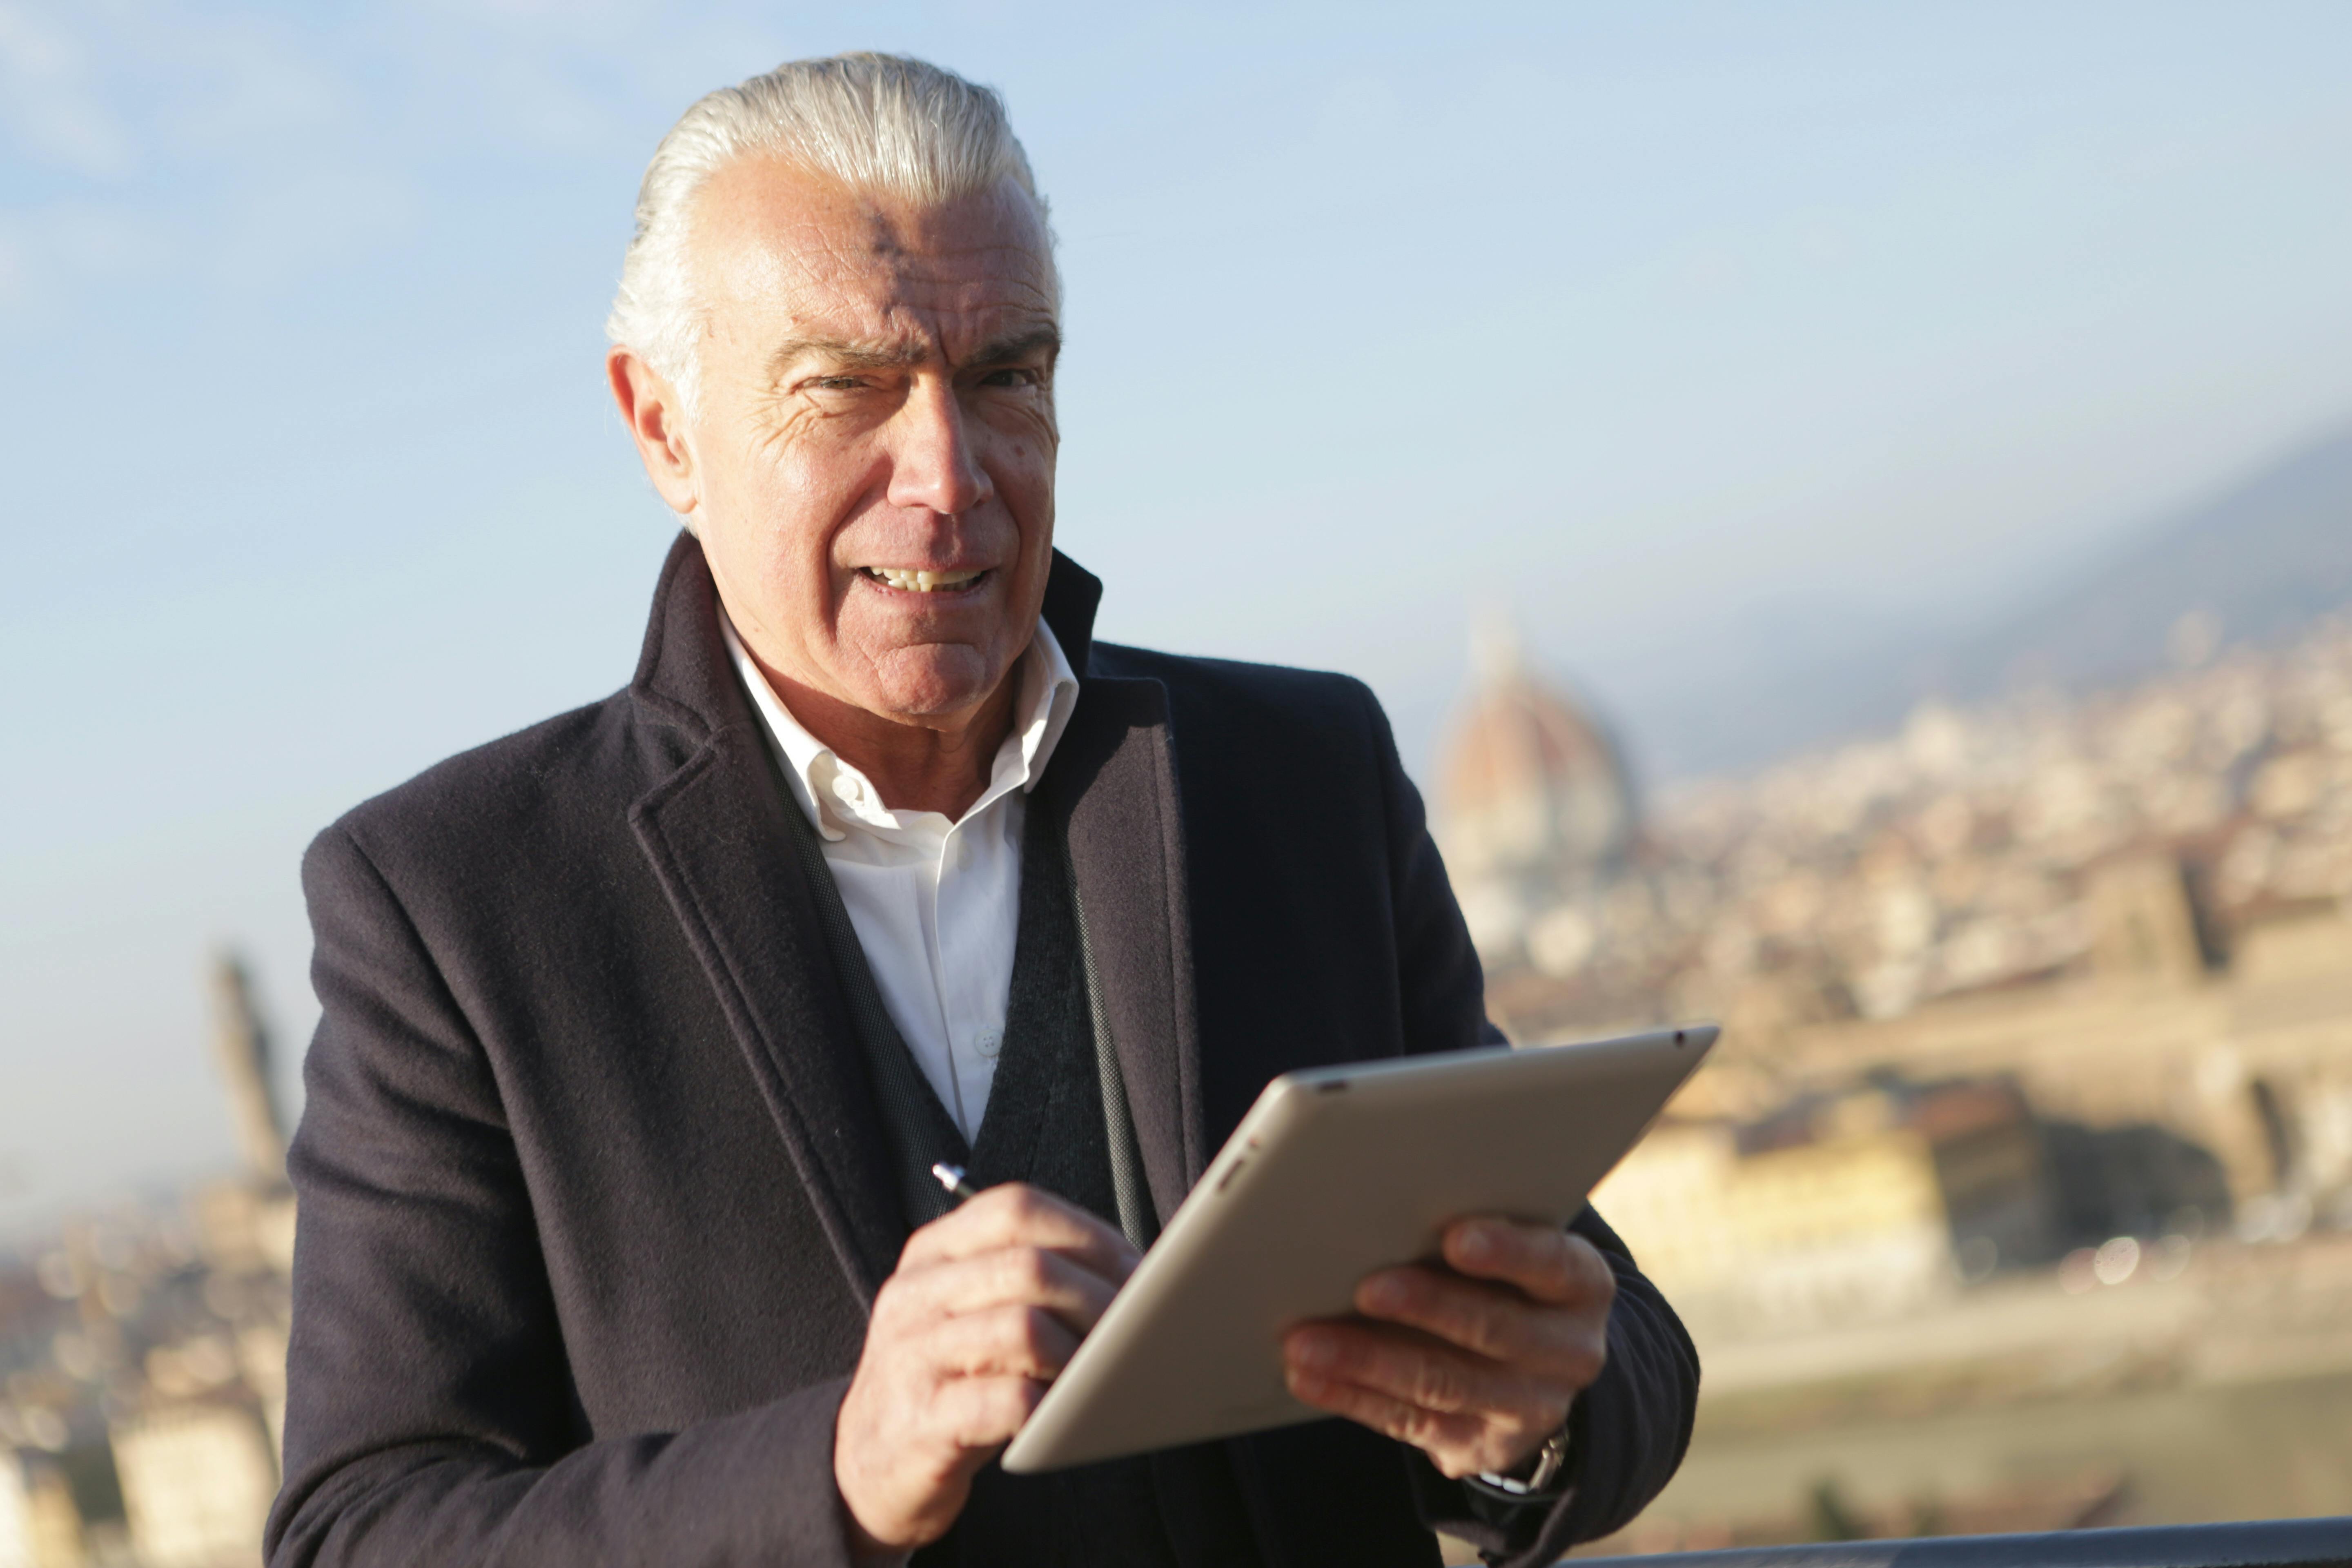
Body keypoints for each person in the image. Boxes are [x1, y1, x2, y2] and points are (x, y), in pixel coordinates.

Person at [264, 52, 1697, 1568]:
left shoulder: (1297, 779)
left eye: (1008, 375)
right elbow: (363, 1535)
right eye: (848, 389)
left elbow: (1626, 1351)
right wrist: (839, 1464)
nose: (949, 475)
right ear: (664, 428)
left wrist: (1531, 1422)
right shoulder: (455, 907)